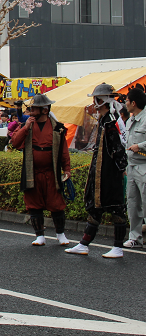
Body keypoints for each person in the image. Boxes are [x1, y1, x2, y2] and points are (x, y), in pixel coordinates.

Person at [66, 84, 128, 258]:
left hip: (110, 173)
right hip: (100, 172)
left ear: (102, 101)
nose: (94, 103)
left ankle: (117, 247)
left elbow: (118, 149)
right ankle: (84, 244)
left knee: (116, 208)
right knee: (95, 208)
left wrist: (122, 169)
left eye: (96, 100)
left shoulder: (111, 121)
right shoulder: (104, 119)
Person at [10, 94, 71, 247]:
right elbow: (15, 143)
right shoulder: (27, 125)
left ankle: (60, 234)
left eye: (34, 108)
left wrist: (67, 170)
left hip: (52, 172)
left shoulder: (58, 127)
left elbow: (64, 151)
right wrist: (25, 128)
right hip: (33, 172)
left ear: (44, 110)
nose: (30, 111)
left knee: (56, 203)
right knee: (34, 204)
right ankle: (40, 236)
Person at [123, 87, 146, 249]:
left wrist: (141, 146)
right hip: (131, 167)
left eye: (127, 101)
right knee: (132, 203)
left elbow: (138, 145)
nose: (125, 104)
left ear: (134, 103)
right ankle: (135, 238)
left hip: (144, 166)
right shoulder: (129, 120)